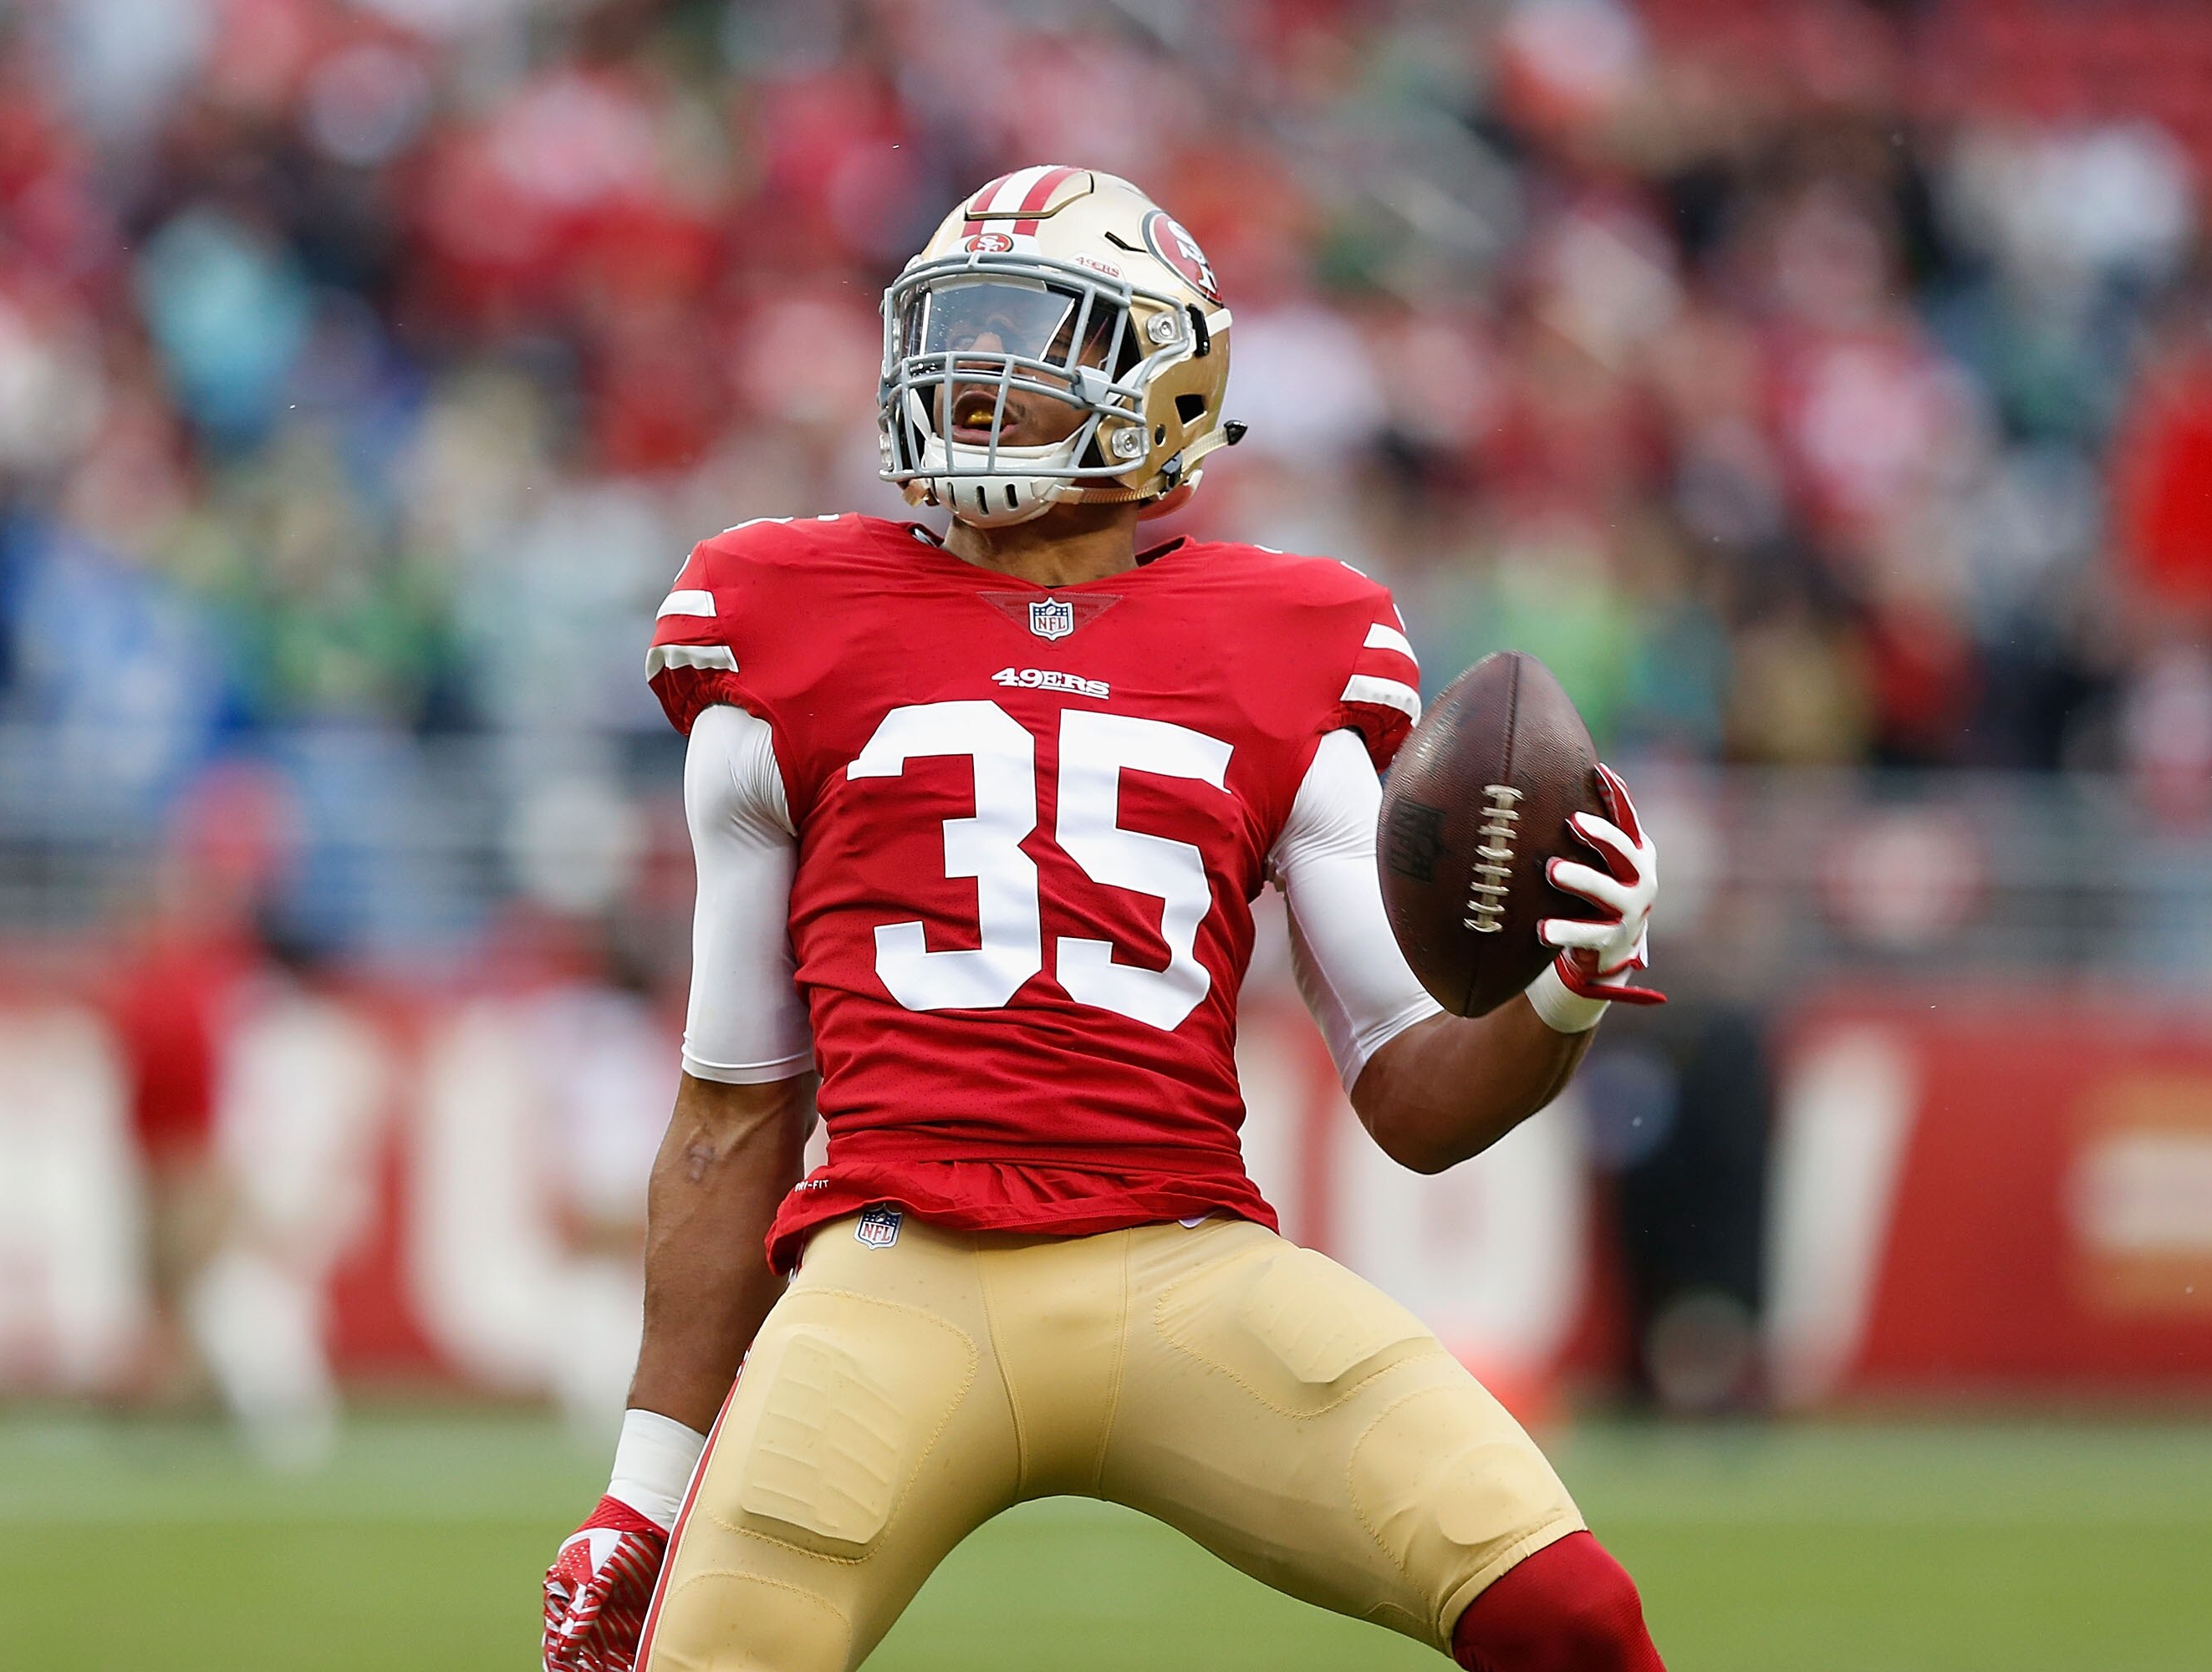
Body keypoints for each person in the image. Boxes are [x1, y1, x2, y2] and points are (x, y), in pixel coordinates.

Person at [543, 168, 1668, 1672]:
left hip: (1182, 1258)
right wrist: (642, 1497)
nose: (975, 375)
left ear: (1171, 378)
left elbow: (1413, 1095)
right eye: (953, 330)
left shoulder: (1293, 640)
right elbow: (733, 1104)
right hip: (892, 1273)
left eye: (1033, 331)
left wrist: (1570, 987)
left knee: (1573, 1616)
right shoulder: (780, 616)